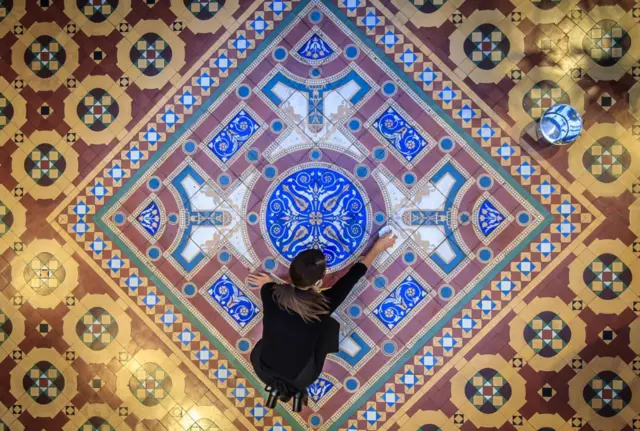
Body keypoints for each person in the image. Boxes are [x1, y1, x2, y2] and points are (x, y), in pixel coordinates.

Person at [247, 231, 397, 403]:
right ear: (319, 280)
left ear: (291, 271)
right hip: (301, 377)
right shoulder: (323, 306)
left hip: (263, 368)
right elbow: (354, 275)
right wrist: (378, 248)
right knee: (329, 327)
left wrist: (266, 283)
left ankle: (288, 392)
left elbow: (269, 286)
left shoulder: (271, 295)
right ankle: (296, 390)